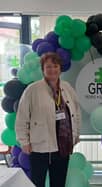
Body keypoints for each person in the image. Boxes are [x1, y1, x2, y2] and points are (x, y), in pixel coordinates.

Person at [15, 52, 81, 187]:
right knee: (37, 182)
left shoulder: (67, 88)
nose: (52, 70)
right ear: (43, 69)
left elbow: (76, 113)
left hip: (62, 146)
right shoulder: (32, 90)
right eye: (48, 67)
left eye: (55, 66)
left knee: (59, 183)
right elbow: (22, 117)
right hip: (40, 147)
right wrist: (24, 141)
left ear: (60, 68)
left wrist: (75, 135)